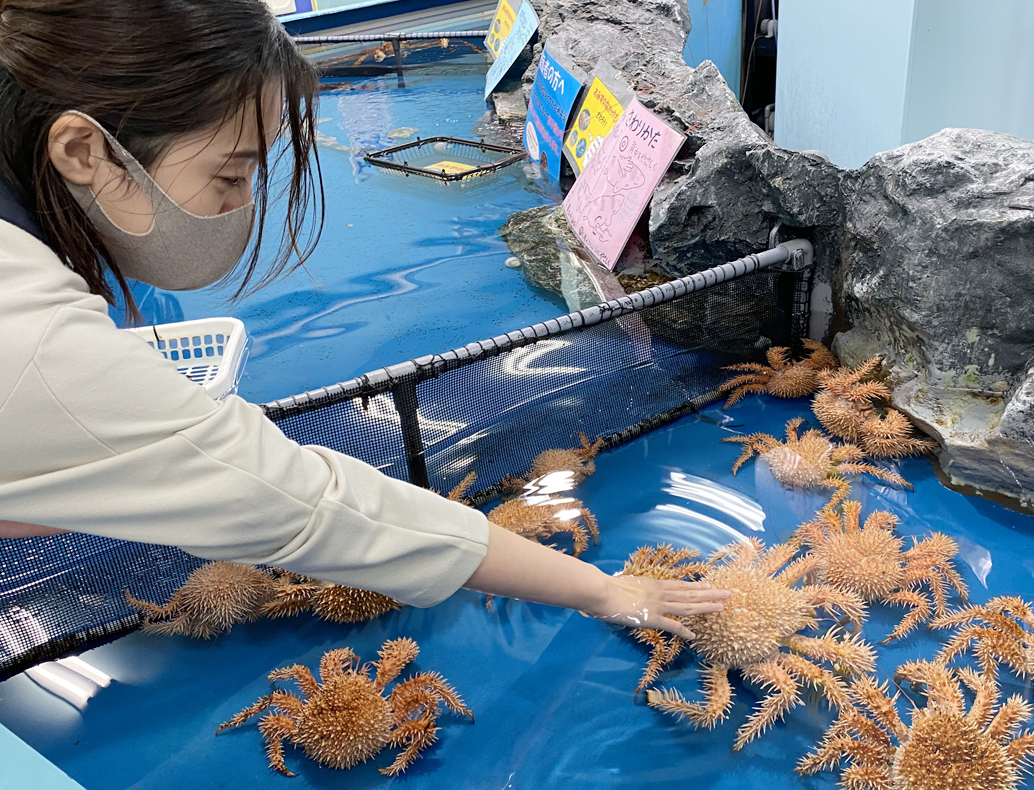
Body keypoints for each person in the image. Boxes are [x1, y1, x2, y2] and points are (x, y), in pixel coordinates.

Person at [0, 0, 725, 638]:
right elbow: (306, 504)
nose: (241, 205)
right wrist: (606, 590)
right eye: (230, 174)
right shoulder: (39, 346)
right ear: (82, 150)